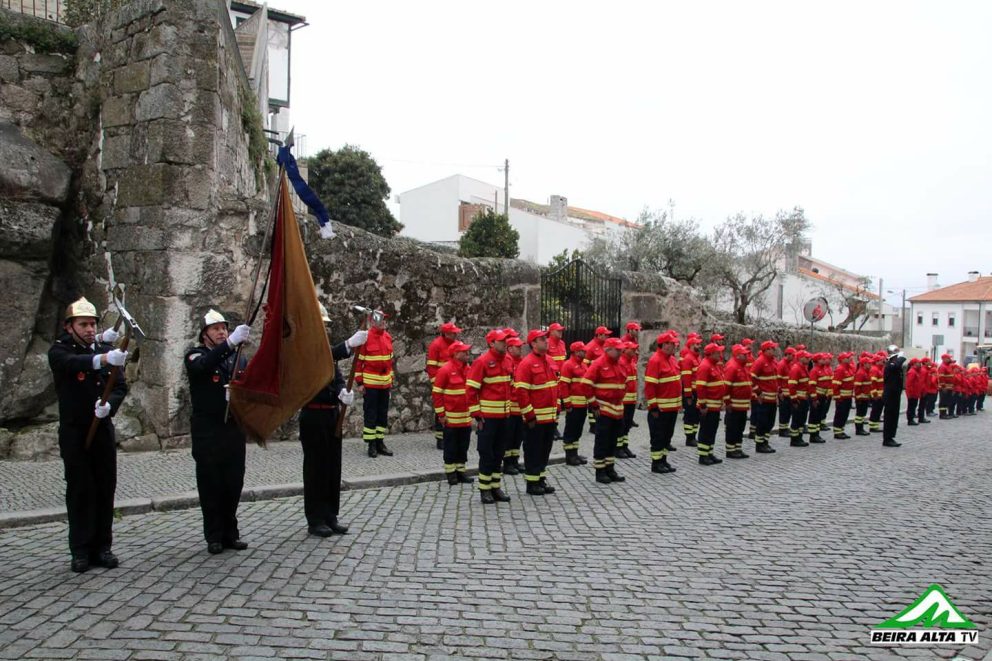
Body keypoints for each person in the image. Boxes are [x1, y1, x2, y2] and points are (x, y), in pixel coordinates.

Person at [48, 297, 129, 573]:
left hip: (102, 429)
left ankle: (102, 547)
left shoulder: (105, 349)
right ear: (69, 327)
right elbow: (73, 364)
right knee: (81, 489)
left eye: (93, 324)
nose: (89, 329)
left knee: (105, 487)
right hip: (75, 430)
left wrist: (110, 406)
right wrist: (103, 358)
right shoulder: (60, 350)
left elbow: (119, 386)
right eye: (83, 324)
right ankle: (80, 550)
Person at [185, 309, 251, 555]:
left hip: (233, 429)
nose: (222, 332)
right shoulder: (195, 355)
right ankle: (213, 535)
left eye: (225, 328)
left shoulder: (237, 358)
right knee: (211, 483)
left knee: (233, 482)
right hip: (208, 431)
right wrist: (231, 343)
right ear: (205, 335)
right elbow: (203, 366)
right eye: (216, 329)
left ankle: (230, 533)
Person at [299, 304, 367, 537]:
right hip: (313, 414)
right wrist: (348, 345)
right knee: (316, 468)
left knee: (332, 467)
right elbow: (320, 362)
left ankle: (330, 515)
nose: (324, 330)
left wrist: (341, 392)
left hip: (330, 413)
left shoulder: (324, 349)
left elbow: (336, 376)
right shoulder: (303, 348)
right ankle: (315, 518)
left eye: (325, 326)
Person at [466, 329, 513, 504]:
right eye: (501, 341)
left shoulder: (507, 360)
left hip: (504, 416)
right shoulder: (482, 362)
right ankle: (484, 489)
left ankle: (495, 486)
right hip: (487, 418)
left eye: (505, 340)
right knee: (486, 453)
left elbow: (510, 386)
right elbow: (471, 390)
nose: (505, 343)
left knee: (499, 453)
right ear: (491, 343)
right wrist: (477, 415)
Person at [515, 329, 560, 496]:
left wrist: (557, 410)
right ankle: (532, 482)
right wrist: (529, 415)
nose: (546, 341)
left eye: (546, 339)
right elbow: (521, 392)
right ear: (533, 343)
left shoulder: (549, 360)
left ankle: (540, 478)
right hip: (535, 419)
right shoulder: (526, 364)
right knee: (533, 450)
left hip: (549, 418)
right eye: (542, 339)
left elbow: (555, 387)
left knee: (544, 450)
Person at [582, 337, 627, 483]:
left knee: (613, 441)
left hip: (617, 409)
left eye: (621, 349)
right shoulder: (598, 364)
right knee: (602, 441)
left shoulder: (620, 363)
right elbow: (585, 384)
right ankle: (600, 471)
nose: (621, 351)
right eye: (618, 349)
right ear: (608, 350)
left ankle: (610, 468)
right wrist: (593, 404)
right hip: (604, 409)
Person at [432, 340, 476, 486]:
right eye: (464, 352)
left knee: (463, 447)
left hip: (465, 418)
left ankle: (461, 472)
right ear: (456, 354)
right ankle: (451, 474)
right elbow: (437, 393)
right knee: (451, 447)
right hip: (451, 419)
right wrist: (441, 415)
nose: (467, 354)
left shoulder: (468, 369)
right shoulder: (445, 370)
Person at [355, 312, 394, 457]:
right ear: (372, 321)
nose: (384, 322)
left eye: (385, 319)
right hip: (371, 384)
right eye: (381, 319)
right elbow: (359, 363)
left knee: (382, 414)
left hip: (385, 384)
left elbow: (390, 362)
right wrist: (360, 383)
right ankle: (371, 445)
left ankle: (380, 442)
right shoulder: (365, 338)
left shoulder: (387, 337)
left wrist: (391, 379)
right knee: (371, 414)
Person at [644, 330, 681, 473]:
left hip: (672, 408)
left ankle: (664, 460)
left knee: (667, 436)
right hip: (660, 409)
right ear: (663, 345)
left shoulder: (672, 359)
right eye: (670, 344)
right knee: (658, 437)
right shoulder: (655, 360)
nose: (673, 346)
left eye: (673, 344)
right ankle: (656, 463)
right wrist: (653, 407)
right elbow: (650, 386)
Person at [426, 322, 462, 450]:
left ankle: (453, 435)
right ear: (446, 333)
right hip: (442, 383)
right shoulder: (436, 345)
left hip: (455, 384)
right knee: (440, 410)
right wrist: (437, 383)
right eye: (453, 333)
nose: (456, 334)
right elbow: (431, 366)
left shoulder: (457, 345)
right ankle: (440, 438)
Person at [695, 342, 728, 465]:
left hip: (715, 406)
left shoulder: (714, 365)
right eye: (718, 352)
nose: (720, 354)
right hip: (708, 407)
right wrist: (703, 405)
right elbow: (701, 387)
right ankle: (703, 456)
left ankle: (709, 452)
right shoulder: (705, 366)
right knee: (706, 430)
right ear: (711, 354)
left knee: (712, 430)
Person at [558, 342, 590, 466]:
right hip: (574, 406)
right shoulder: (568, 365)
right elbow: (564, 385)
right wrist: (567, 404)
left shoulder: (583, 365)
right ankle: (569, 455)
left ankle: (575, 453)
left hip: (583, 405)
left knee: (578, 430)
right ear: (576, 352)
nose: (585, 352)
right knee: (570, 431)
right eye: (583, 350)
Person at [749, 340, 779, 453]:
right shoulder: (760, 362)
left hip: (772, 399)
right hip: (764, 399)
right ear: (766, 350)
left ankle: (765, 442)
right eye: (772, 348)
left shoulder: (773, 361)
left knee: (770, 422)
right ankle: (759, 444)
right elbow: (751, 378)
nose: (774, 350)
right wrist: (758, 392)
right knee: (762, 422)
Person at [723, 344, 751, 459]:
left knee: (740, 428)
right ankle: (731, 450)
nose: (747, 356)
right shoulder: (732, 367)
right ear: (738, 355)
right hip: (734, 405)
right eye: (744, 354)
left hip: (742, 405)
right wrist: (728, 402)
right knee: (732, 428)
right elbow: (726, 387)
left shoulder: (743, 366)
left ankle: (738, 448)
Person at [502, 334, 525, 475]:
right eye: (518, 347)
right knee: (509, 437)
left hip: (520, 407)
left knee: (518, 437)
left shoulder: (521, 362)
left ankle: (515, 460)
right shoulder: (507, 361)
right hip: (511, 407)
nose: (521, 349)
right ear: (509, 348)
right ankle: (507, 463)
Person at [583, 326, 613, 433]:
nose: (608, 336)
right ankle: (593, 424)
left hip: (603, 379)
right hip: (594, 378)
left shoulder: (605, 346)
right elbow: (584, 364)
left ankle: (599, 420)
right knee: (592, 401)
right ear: (599, 335)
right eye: (606, 335)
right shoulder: (590, 347)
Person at [616, 341, 639, 458]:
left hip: (631, 400)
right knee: (621, 425)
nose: (635, 351)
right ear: (625, 350)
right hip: (624, 400)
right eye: (632, 349)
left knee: (627, 425)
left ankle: (624, 446)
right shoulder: (621, 362)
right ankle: (618, 447)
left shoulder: (632, 362)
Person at [680, 334, 703, 446]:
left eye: (699, 343)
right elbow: (686, 379)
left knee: (696, 415)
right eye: (697, 343)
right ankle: (689, 438)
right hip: (692, 392)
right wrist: (688, 395)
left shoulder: (697, 357)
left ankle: (693, 435)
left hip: (697, 391)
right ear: (691, 345)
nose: (699, 345)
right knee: (690, 415)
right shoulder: (688, 359)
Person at [882, 345, 907, 447]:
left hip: (895, 394)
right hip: (890, 395)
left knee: (894, 416)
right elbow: (896, 365)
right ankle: (887, 438)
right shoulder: (890, 364)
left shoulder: (895, 364)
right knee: (889, 416)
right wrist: (900, 357)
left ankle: (891, 436)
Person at [787, 350, 812, 447]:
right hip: (798, 400)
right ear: (800, 358)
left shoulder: (803, 368)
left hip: (804, 399)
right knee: (796, 420)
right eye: (806, 357)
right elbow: (792, 385)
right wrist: (794, 400)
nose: (808, 359)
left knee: (802, 420)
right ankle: (794, 439)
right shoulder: (796, 369)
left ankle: (799, 437)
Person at [830, 352, 855, 439]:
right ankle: (837, 432)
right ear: (842, 359)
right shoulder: (840, 369)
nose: (850, 359)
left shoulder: (849, 368)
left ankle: (841, 430)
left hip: (848, 397)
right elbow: (836, 385)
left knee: (845, 415)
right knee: (840, 414)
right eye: (847, 358)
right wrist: (837, 397)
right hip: (841, 398)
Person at [776, 347, 796, 437]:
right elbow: (778, 380)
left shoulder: (790, 364)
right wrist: (779, 392)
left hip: (789, 394)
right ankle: (782, 430)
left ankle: (785, 428)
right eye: (792, 355)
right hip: (783, 394)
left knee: (788, 412)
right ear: (787, 354)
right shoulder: (782, 364)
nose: (794, 357)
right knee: (784, 413)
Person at [852, 354, 873, 436]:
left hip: (865, 397)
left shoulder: (866, 372)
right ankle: (859, 429)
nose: (870, 365)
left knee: (862, 414)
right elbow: (857, 387)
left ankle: (861, 428)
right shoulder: (861, 373)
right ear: (864, 364)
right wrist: (859, 397)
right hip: (861, 398)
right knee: (859, 414)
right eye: (869, 363)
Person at [867, 353, 885, 433]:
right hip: (877, 395)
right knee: (875, 410)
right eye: (881, 360)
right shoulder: (875, 370)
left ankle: (875, 425)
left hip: (880, 395)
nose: (883, 361)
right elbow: (872, 383)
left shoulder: (879, 369)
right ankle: (873, 427)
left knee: (878, 410)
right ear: (877, 361)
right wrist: (875, 395)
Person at [904, 358, 924, 426]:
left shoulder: (915, 371)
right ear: (914, 363)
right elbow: (909, 384)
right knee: (911, 406)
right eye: (918, 363)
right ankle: (910, 420)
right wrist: (910, 393)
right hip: (912, 393)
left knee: (913, 406)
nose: (920, 364)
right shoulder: (912, 372)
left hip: (915, 393)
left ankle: (911, 419)